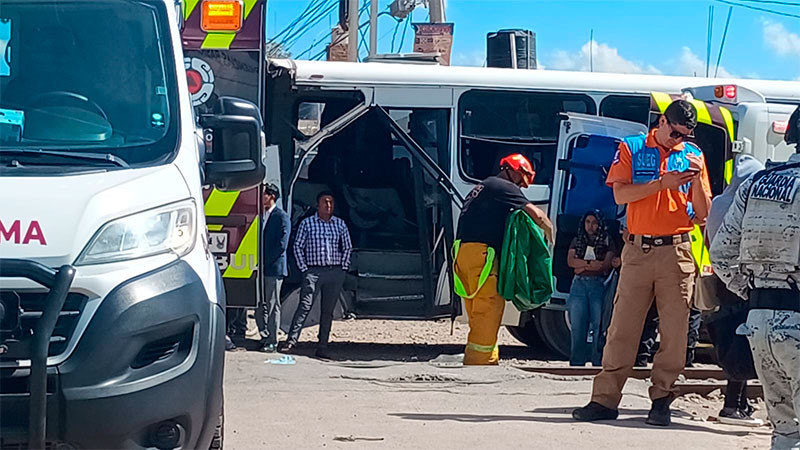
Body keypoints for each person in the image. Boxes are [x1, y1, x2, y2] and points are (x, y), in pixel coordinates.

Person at [573, 99, 712, 426]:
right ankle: (604, 399)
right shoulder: (632, 147)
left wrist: (694, 180)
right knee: (622, 327)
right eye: (675, 133)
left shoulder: (693, 155)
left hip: (676, 250)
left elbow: (703, 213)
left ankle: (662, 398)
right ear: (662, 122)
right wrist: (662, 183)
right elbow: (620, 195)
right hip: (637, 249)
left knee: (675, 331)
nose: (678, 140)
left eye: (685, 135)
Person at [710, 106, 800, 449]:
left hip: (760, 323)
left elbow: (721, 253)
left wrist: (750, 291)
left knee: (785, 433)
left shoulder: (756, 183)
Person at [454, 153, 553, 365]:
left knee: (476, 310)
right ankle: (479, 362)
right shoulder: (503, 186)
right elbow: (538, 215)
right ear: (513, 171)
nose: (521, 186)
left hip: (464, 253)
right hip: (483, 255)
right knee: (488, 310)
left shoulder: (483, 186)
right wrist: (551, 236)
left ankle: (487, 357)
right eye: (521, 179)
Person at [702, 155, 764, 426]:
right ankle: (732, 406)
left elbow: (708, 239)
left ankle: (741, 403)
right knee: (743, 342)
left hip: (720, 280)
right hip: (743, 282)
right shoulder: (747, 204)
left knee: (731, 339)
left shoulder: (718, 202)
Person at [279, 191, 352, 359]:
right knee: (304, 306)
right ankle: (291, 340)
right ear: (318, 205)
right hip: (313, 272)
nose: (328, 205)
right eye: (325, 202)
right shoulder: (307, 223)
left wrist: (343, 268)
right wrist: (304, 269)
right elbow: (298, 246)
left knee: (328, 311)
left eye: (331, 202)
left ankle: (323, 345)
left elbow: (347, 246)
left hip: (334, 272)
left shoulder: (339, 224)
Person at [566, 209, 616, 366]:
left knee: (598, 324)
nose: (590, 226)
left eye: (594, 223)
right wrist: (589, 264)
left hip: (598, 285)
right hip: (579, 284)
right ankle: (577, 361)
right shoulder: (577, 240)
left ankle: (597, 360)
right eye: (588, 222)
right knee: (577, 325)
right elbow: (571, 261)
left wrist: (581, 266)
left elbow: (604, 265)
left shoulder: (607, 240)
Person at [258, 183, 291, 353]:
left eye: (263, 194)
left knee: (272, 304)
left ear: (271, 196)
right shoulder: (260, 215)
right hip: (259, 267)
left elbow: (282, 244)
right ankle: (263, 335)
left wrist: (266, 261)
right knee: (259, 304)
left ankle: (272, 339)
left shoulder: (281, 216)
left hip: (274, 268)